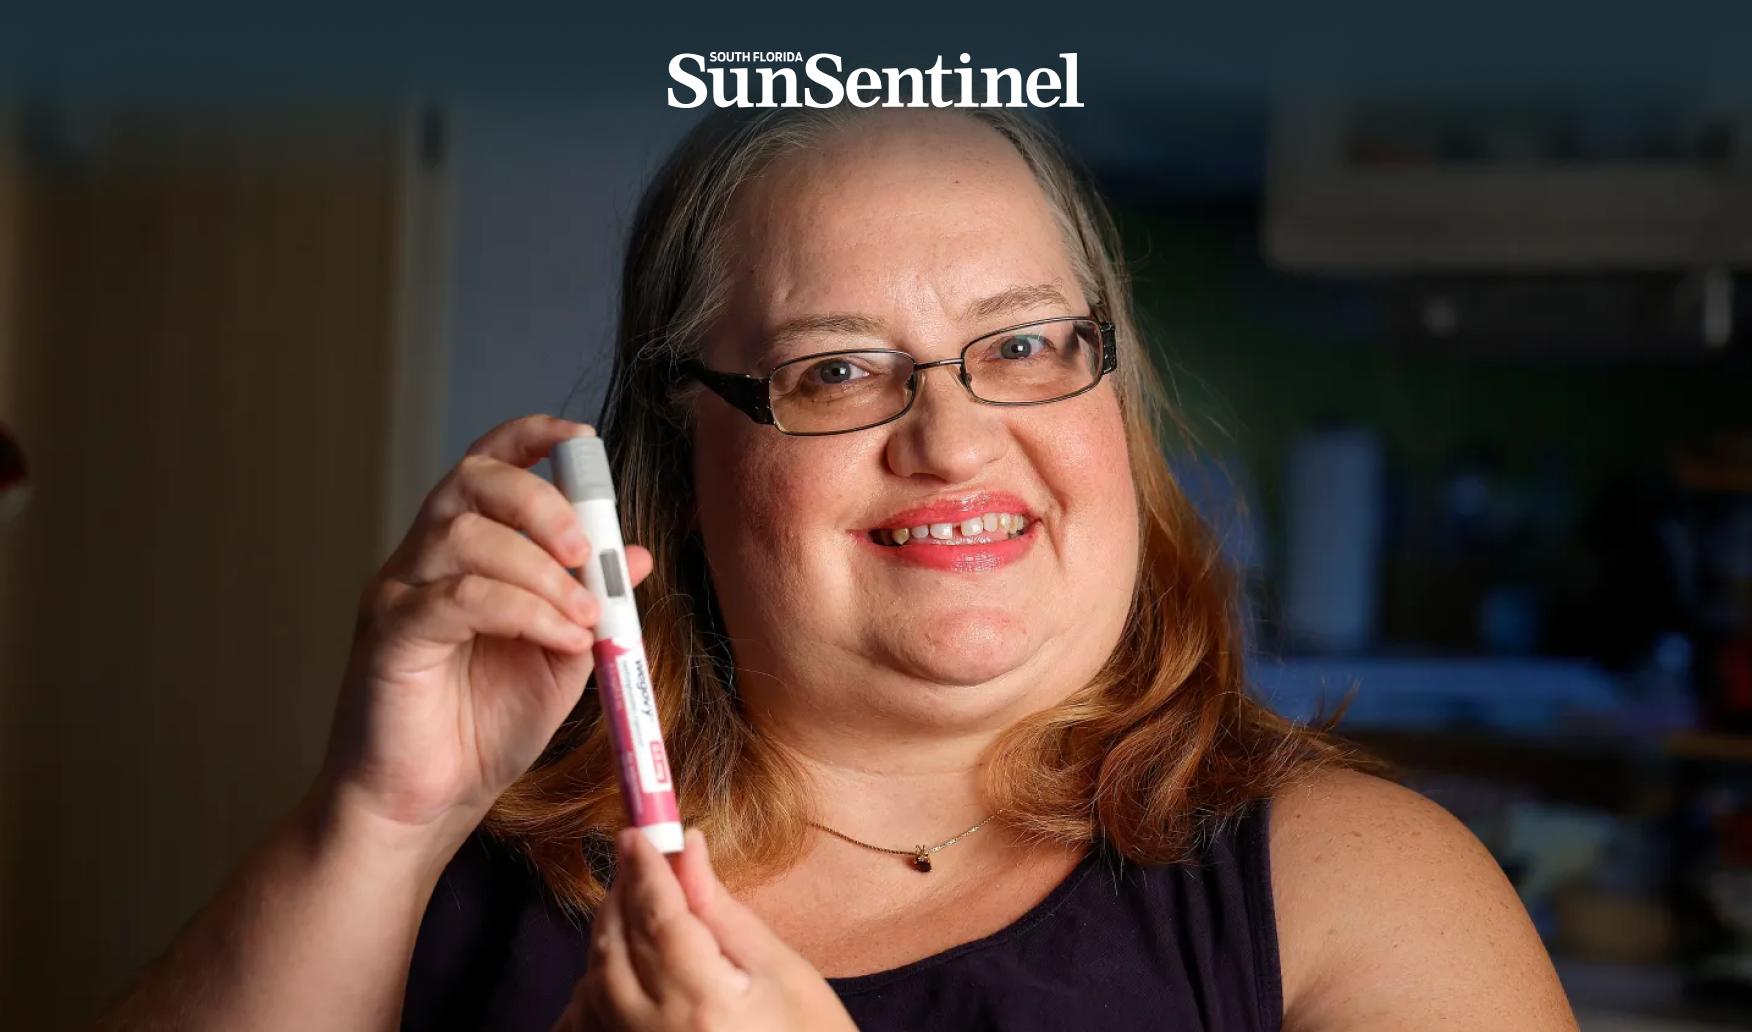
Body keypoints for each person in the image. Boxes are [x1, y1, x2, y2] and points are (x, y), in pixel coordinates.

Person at [98, 107, 1578, 1032]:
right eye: (839, 370)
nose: (951, 437)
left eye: (1022, 346)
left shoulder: (1353, 893)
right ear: (678, 463)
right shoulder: (460, 884)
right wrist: (380, 819)